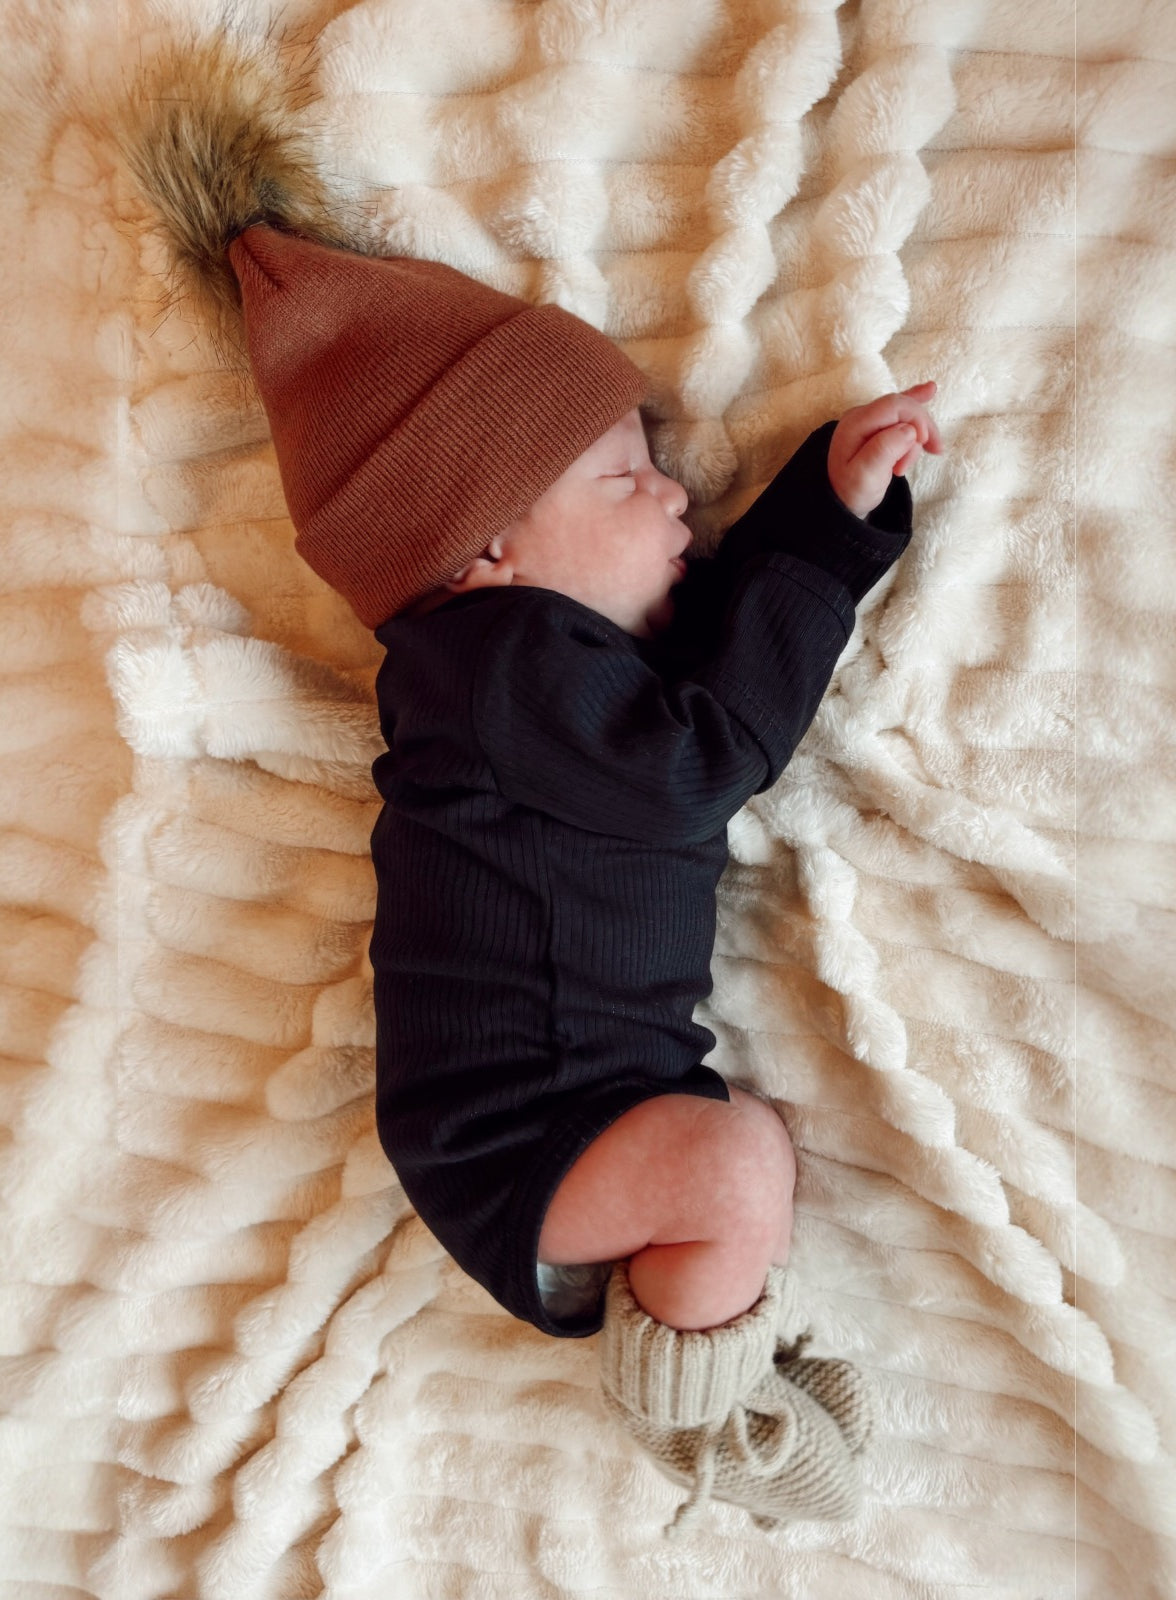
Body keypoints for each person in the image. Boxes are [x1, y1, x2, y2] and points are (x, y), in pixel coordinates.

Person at [120, 67, 941, 1536]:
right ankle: (700, 1400)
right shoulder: (493, 669)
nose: (674, 495)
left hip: (556, 1110)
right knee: (737, 1165)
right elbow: (706, 752)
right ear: (487, 548)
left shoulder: (538, 671)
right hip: (521, 1128)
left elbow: (701, 685)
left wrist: (823, 512)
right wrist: (819, 547)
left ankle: (705, 1370)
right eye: (627, 475)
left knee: (736, 1166)